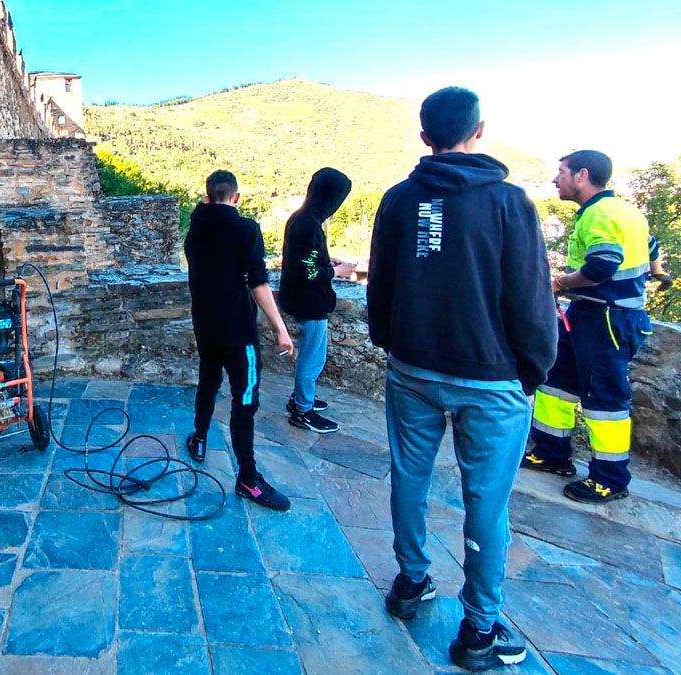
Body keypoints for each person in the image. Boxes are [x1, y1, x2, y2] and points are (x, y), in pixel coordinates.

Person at [367, 87, 557, 671]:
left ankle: (411, 581)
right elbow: (531, 297)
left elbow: (381, 288)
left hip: (414, 370)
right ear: (480, 130)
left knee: (409, 477)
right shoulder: (509, 203)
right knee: (487, 502)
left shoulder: (401, 201)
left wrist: (393, 343)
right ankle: (478, 630)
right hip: (490, 378)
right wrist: (533, 368)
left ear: (424, 136)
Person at [521, 150, 653, 503]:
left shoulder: (599, 214)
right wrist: (658, 272)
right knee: (557, 382)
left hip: (606, 317)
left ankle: (609, 478)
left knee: (605, 399)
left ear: (582, 175)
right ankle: (551, 452)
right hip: (590, 314)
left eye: (560, 172)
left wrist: (559, 284)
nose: (555, 178)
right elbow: (649, 246)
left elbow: (602, 266)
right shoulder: (624, 210)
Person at [184, 169, 295, 511]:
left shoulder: (195, 229)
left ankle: (199, 438)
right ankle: (248, 478)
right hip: (238, 334)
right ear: (236, 197)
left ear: (206, 196)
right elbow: (257, 282)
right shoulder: (246, 229)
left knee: (207, 382)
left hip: (206, 326)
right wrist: (281, 328)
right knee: (244, 402)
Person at [279, 167, 356, 434]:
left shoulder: (300, 218)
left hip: (298, 298)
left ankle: (301, 398)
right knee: (311, 359)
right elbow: (309, 272)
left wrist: (327, 260)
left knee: (310, 357)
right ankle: (302, 410)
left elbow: (305, 259)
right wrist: (338, 271)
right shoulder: (310, 224)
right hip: (310, 303)